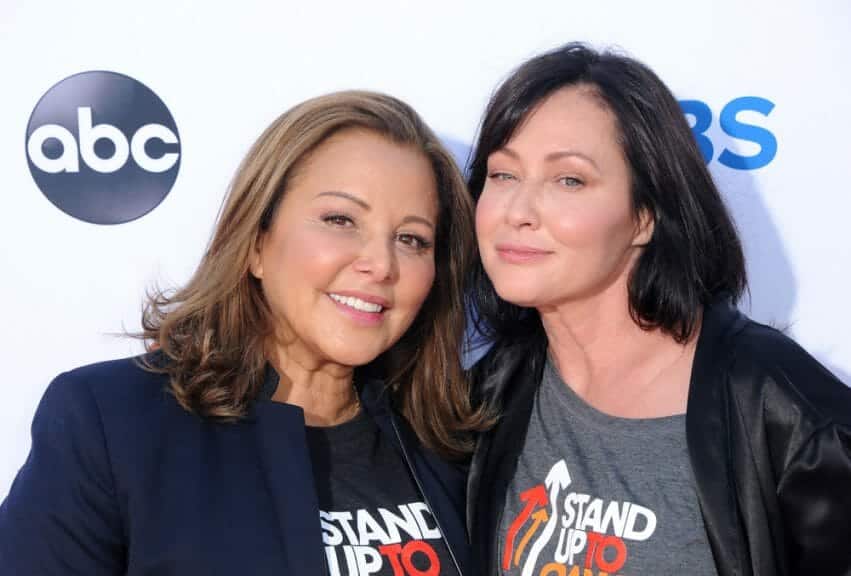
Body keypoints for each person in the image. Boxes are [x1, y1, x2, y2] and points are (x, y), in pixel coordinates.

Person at [0, 90, 487, 575]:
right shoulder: (110, 423)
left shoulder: (453, 440)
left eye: (411, 239)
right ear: (255, 241)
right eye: (341, 220)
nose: (381, 264)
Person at [465, 43, 851, 576]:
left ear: (645, 216)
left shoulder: (785, 413)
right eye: (503, 175)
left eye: (569, 180)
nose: (517, 211)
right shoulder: (486, 395)